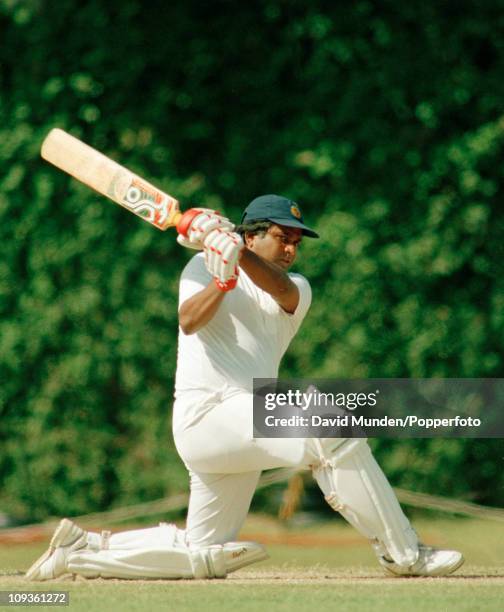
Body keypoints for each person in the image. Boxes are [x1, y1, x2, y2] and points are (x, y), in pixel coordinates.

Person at [26, 194, 463, 581]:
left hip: (242, 423)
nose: (291, 248)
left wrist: (234, 253)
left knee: (203, 554)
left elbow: (280, 289)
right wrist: (222, 279)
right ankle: (405, 554)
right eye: (281, 237)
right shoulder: (201, 265)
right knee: (332, 425)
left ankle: (82, 552)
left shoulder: (297, 288)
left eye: (296, 240)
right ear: (252, 236)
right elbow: (189, 321)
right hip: (206, 417)